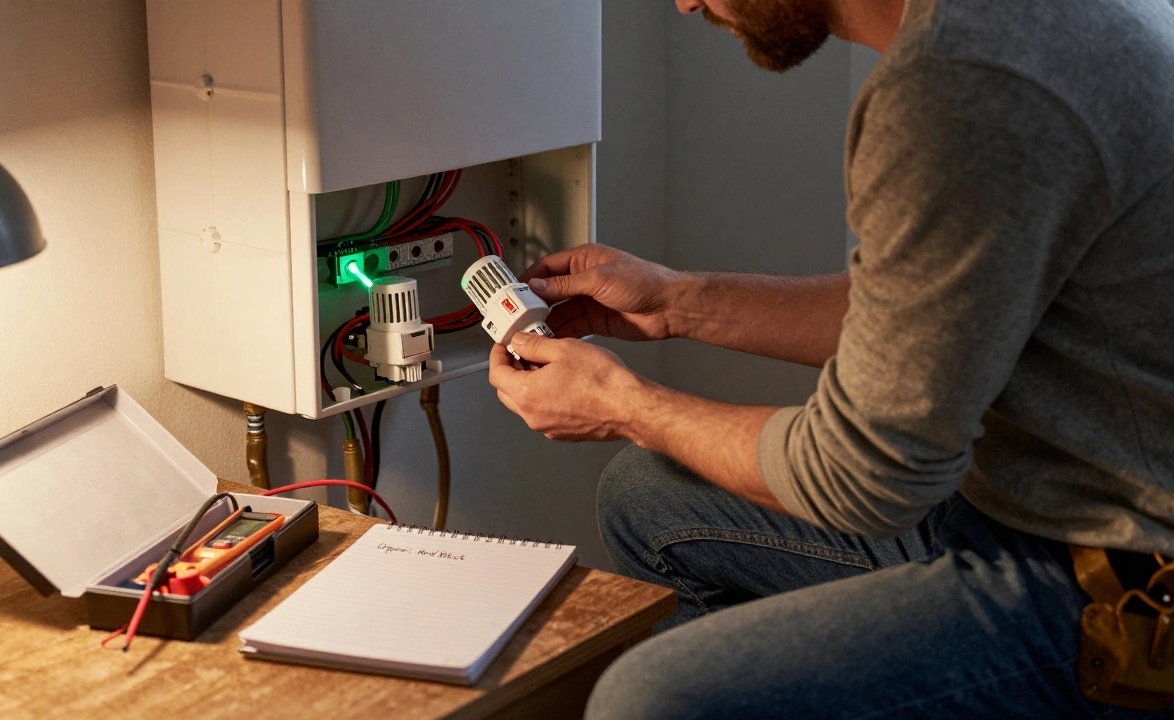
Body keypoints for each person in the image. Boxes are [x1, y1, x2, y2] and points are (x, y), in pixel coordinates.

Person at [487, 0, 1174, 717]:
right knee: (645, 493)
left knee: (652, 698)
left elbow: (865, 477)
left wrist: (623, 406)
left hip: (1117, 588)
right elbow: (925, 311)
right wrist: (674, 302)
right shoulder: (1001, 31)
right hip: (1025, 506)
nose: (684, 3)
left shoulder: (961, 84)